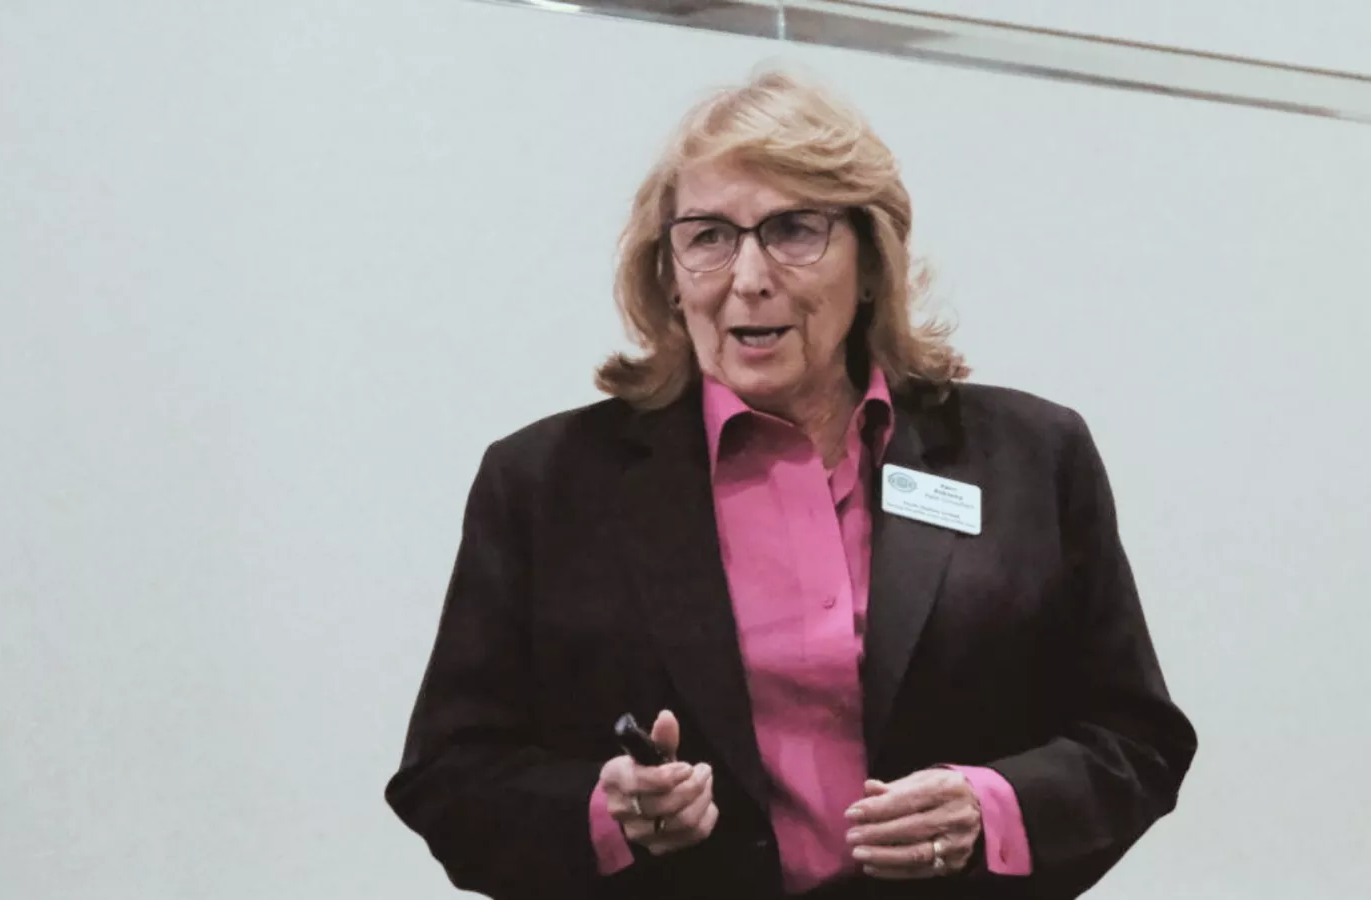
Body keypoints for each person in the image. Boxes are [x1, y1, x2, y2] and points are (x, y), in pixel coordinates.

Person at [387, 68, 1196, 900]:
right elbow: (448, 775)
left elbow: (1136, 739)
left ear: (871, 260)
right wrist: (604, 813)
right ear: (667, 270)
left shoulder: (1030, 457)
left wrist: (990, 809)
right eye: (707, 236)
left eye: (794, 230)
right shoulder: (545, 485)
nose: (748, 276)